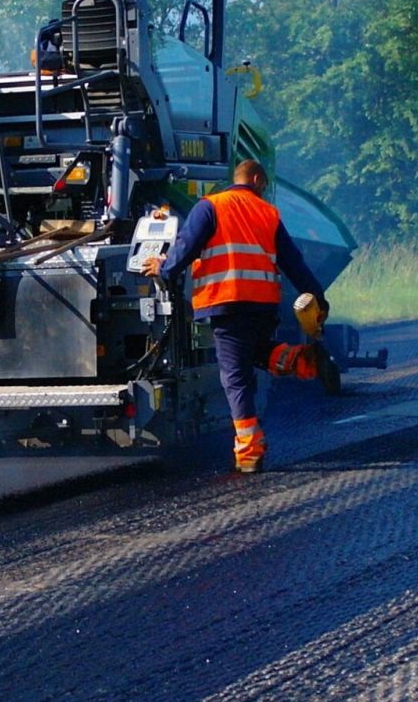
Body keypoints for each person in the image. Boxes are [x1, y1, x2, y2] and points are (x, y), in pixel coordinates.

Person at [136, 160, 327, 473]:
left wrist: (165, 267)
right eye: (263, 185)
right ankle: (292, 358)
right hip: (263, 303)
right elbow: (294, 262)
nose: (263, 191)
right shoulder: (269, 213)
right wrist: (317, 296)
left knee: (234, 375)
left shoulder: (210, 206)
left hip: (226, 301)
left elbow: (186, 245)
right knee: (253, 352)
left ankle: (249, 450)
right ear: (254, 179)